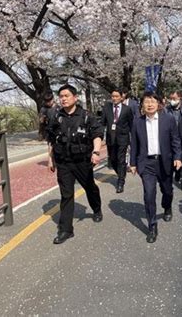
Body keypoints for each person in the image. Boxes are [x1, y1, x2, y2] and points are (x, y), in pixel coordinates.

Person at [47, 84, 104, 244]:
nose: (63, 99)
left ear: (75, 97)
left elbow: (97, 134)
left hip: (82, 161)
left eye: (66, 96)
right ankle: (66, 230)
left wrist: (96, 152)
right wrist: (50, 158)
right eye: (61, 96)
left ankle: (97, 208)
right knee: (66, 194)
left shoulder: (86, 116)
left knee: (90, 187)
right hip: (63, 162)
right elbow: (51, 139)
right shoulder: (56, 117)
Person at [130, 92, 182, 243]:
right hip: (146, 163)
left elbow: (175, 140)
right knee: (149, 194)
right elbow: (134, 144)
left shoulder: (168, 119)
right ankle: (152, 225)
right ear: (142, 105)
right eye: (147, 101)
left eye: (153, 101)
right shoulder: (137, 122)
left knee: (167, 190)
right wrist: (133, 163)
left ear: (159, 104)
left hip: (164, 161)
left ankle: (167, 207)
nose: (150, 104)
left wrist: (178, 157)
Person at [101, 88, 134, 193]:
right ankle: (120, 173)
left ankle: (121, 181)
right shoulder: (107, 108)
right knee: (113, 160)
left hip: (123, 138)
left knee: (121, 159)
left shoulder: (127, 109)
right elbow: (102, 123)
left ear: (121, 97)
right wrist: (100, 137)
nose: (114, 98)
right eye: (113, 96)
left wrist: (133, 139)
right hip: (111, 138)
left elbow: (131, 124)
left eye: (116, 96)